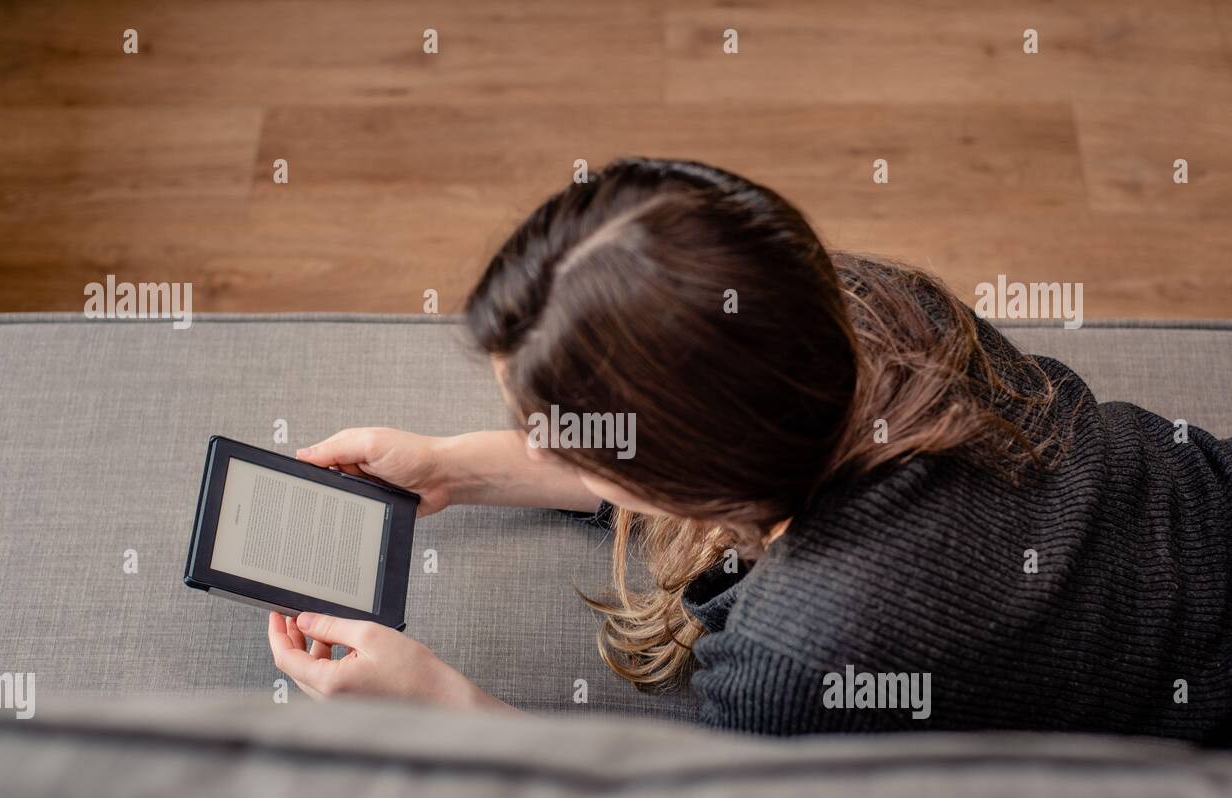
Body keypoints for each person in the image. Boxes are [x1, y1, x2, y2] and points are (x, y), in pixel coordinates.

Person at [268, 157, 1232, 742]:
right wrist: (449, 466)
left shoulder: (801, 652)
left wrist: (439, 706)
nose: (545, 443)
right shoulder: (872, 304)